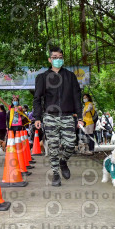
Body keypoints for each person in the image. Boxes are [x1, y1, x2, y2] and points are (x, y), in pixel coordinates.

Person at [33, 46, 83, 186]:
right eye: (55, 57)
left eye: (60, 57)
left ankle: (63, 162)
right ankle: (55, 174)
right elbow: (37, 99)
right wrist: (37, 117)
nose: (58, 60)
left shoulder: (70, 76)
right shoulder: (42, 77)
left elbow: (76, 97)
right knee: (53, 146)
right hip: (50, 117)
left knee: (71, 144)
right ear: (50, 60)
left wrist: (80, 117)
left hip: (67, 116)